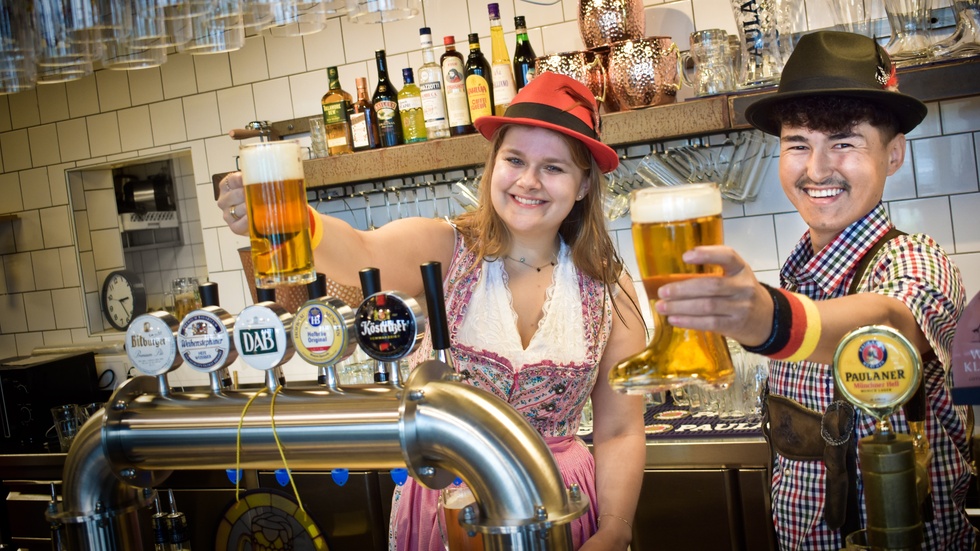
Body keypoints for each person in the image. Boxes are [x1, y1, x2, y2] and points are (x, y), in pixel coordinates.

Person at [217, 72, 647, 550]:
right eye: (515, 159)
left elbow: (620, 428)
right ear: (492, 166)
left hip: (561, 505)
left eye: (554, 167)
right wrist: (295, 218)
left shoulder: (609, 289)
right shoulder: (446, 250)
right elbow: (361, 251)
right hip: (450, 510)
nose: (528, 181)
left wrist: (615, 528)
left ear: (584, 184)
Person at [653, 31, 975, 549]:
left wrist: (770, 320)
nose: (817, 169)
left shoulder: (914, 259)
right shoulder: (800, 272)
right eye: (797, 144)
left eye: (844, 143)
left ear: (893, 155)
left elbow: (886, 324)